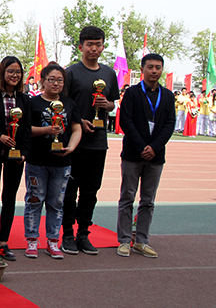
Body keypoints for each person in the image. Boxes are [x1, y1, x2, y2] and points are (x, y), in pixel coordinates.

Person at [61, 26, 119, 256]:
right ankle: (67, 234)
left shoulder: (109, 73)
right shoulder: (71, 73)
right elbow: (62, 106)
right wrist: (79, 121)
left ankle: (83, 233)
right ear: (81, 47)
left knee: (90, 191)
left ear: (103, 47)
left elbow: (112, 103)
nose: (94, 48)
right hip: (75, 142)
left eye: (98, 44)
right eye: (89, 44)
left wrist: (108, 105)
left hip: (98, 142)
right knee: (69, 190)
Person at [116, 54, 175, 258]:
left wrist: (154, 147)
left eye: (158, 67)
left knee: (148, 200)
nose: (154, 71)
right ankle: (125, 240)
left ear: (162, 70)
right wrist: (142, 146)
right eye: (150, 67)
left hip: (156, 156)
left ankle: (142, 240)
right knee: (127, 197)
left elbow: (170, 124)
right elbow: (125, 121)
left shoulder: (168, 96)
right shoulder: (132, 93)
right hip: (133, 154)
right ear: (142, 69)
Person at [24, 62, 82, 259]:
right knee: (34, 200)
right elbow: (25, 129)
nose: (56, 83)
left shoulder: (69, 104)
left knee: (56, 203)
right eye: (51, 79)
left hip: (62, 163)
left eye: (60, 80)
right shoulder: (33, 103)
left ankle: (53, 241)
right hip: (37, 161)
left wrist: (71, 147)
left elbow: (76, 128)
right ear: (43, 81)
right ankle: (32, 240)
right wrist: (47, 130)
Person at [0, 56, 31, 261]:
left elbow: (26, 129)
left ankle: (3, 242)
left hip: (15, 157)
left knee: (9, 199)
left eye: (18, 72)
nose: (14, 75)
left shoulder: (25, 99)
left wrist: (24, 152)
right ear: (2, 73)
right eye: (10, 71)